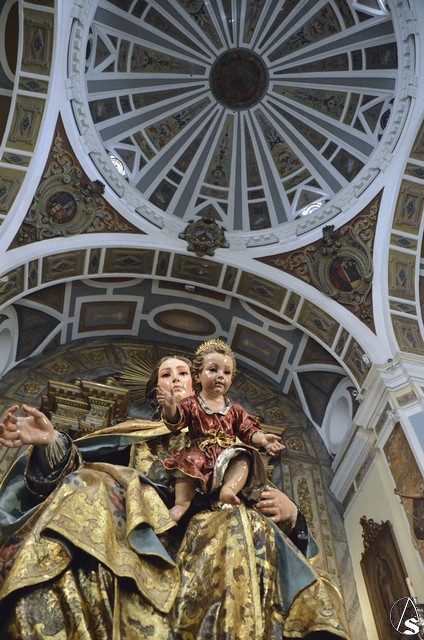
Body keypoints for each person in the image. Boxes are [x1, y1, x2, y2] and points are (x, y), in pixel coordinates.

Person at [0, 353, 350, 639]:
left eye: (183, 373)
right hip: (136, 525)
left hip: (208, 524)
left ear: (198, 384)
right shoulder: (135, 434)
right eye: (166, 375)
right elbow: (77, 465)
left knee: (239, 523)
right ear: (156, 391)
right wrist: (51, 442)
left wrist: (292, 514)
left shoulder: (229, 443)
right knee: (89, 481)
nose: (175, 380)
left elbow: (260, 499)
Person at [160, 339, 285, 520]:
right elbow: (177, 421)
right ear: (197, 376)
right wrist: (170, 408)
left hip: (228, 454)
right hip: (200, 451)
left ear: (231, 380)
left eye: (226, 372)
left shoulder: (235, 409)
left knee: (244, 458)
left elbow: (248, 430)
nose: (220, 376)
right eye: (213, 370)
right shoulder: (192, 403)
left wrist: (263, 439)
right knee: (189, 462)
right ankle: (181, 504)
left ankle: (229, 489)